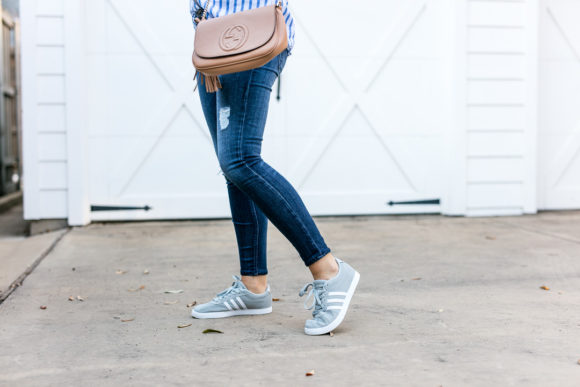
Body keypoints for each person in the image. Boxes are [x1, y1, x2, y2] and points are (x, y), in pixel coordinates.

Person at [188, 0, 359, 335]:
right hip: (210, 40)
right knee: (233, 170)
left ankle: (329, 269)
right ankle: (253, 286)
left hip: (252, 35)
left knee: (241, 160)